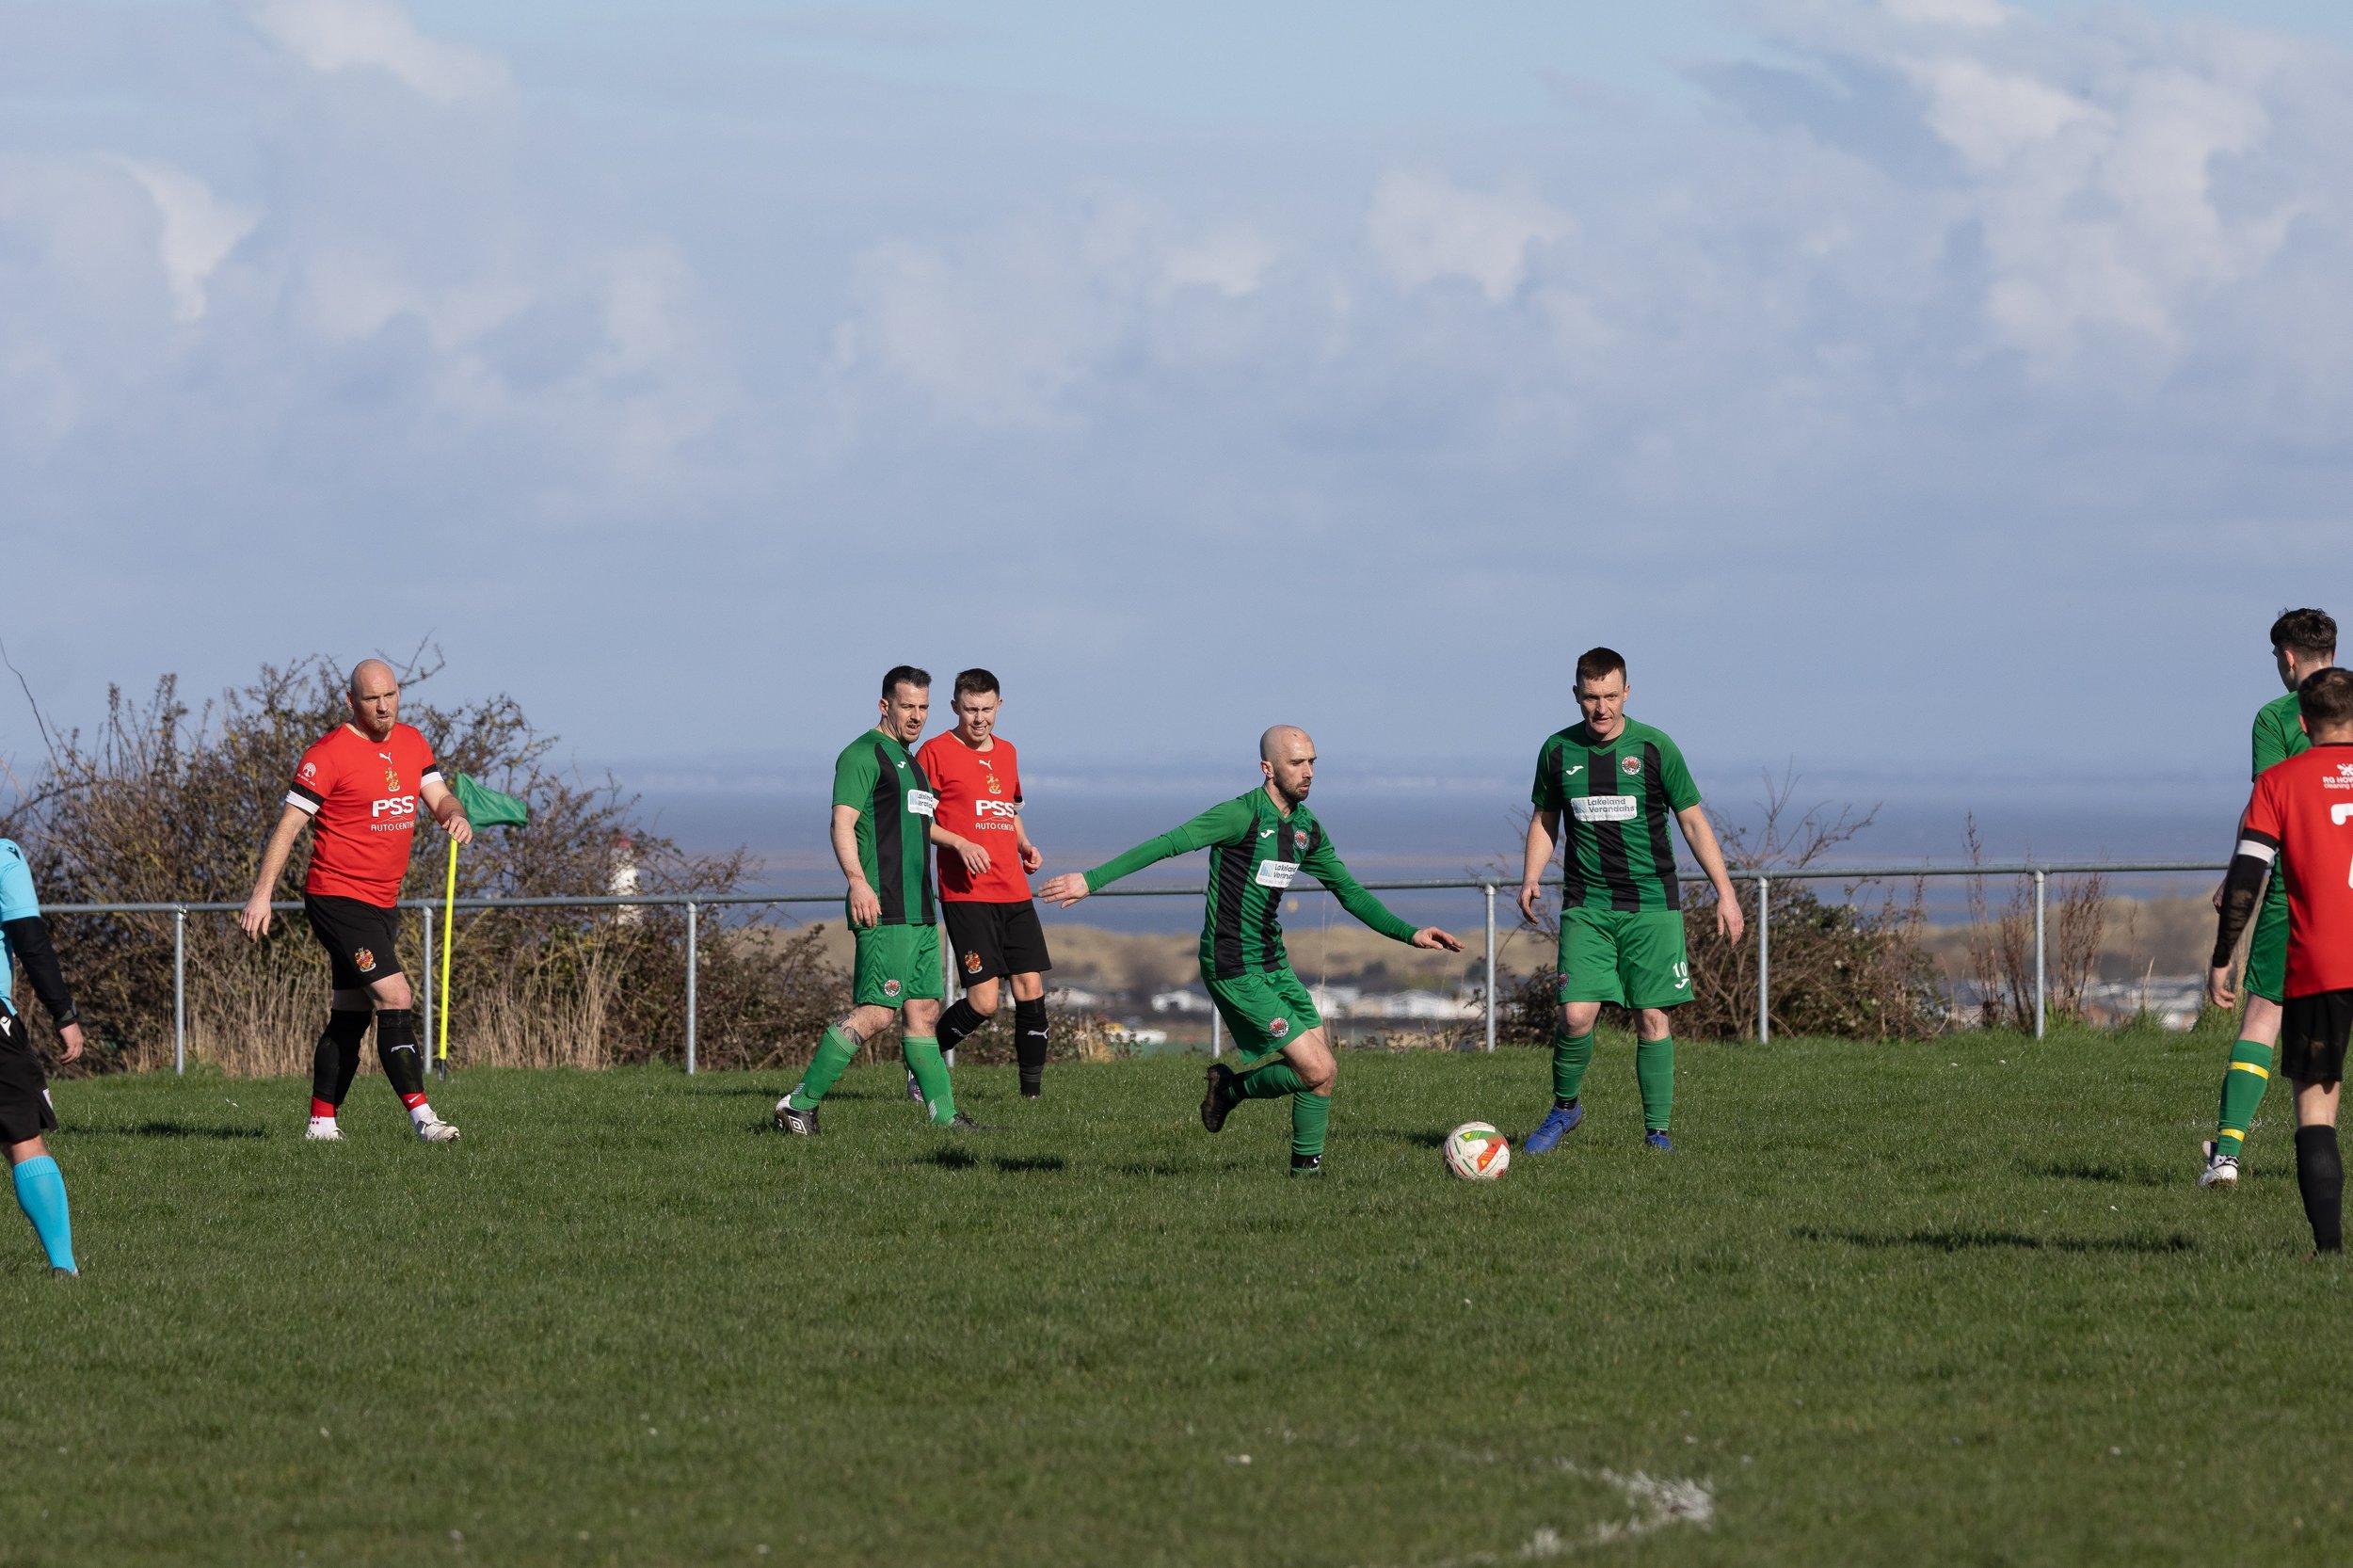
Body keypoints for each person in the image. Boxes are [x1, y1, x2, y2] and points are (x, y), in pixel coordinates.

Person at [1039, 726, 1461, 1176]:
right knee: (1316, 1067)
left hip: (1272, 963)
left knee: (1323, 1073)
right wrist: (1091, 880)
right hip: (1231, 964)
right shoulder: (1239, 815)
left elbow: (1350, 892)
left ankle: (1300, 1174)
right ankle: (1234, 1093)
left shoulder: (1305, 830)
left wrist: (1410, 933)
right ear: (1268, 768)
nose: (1309, 772)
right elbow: (1166, 844)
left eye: (1313, 762)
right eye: (1297, 763)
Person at [1516, 648, 1744, 1154]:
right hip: (1586, 905)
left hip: (1652, 907)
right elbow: (1544, 820)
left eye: (1611, 697)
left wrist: (1726, 894)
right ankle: (1565, 1109)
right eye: (1592, 697)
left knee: (1652, 1018)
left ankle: (1656, 1133)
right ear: (1576, 695)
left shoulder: (1656, 747)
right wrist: (1532, 875)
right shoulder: (1557, 751)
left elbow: (1692, 821)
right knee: (1575, 1015)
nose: (1602, 709)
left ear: (1627, 692)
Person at [238, 659, 471, 1143]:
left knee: (349, 1012)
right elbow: (287, 829)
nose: (383, 706)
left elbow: (440, 795)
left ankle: (322, 1124)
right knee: (396, 996)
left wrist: (453, 815)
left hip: (383, 902)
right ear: (351, 701)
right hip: (337, 898)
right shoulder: (327, 755)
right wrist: (261, 896)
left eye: (390, 695)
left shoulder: (412, 742)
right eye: (371, 698)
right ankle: (425, 1120)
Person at [774, 667, 995, 1135]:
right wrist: (857, 881)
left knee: (925, 1013)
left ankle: (946, 1119)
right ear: (884, 706)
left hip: (919, 908)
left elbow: (915, 826)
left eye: (923, 707)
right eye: (907, 706)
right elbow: (843, 821)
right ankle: (799, 1103)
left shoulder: (908, 760)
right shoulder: (861, 755)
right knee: (878, 1013)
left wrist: (957, 842)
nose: (916, 716)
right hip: (884, 906)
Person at [2207, 664, 2353, 1254]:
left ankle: (2330, 1251)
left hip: (2322, 963)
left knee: (2316, 1114)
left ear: (2302, 721)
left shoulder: (2281, 781)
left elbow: (2247, 876)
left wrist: (2223, 953)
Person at [2201, 608, 2335, 1188]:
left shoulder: (2278, 717)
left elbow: (2267, 808)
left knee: (2264, 1015)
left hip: (2298, 886)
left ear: (2286, 657)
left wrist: (2238, 874)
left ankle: (2226, 1155)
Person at [915, 670, 1053, 1099]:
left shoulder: (1008, 752)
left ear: (999, 706)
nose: (979, 719)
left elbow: (1007, 809)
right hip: (967, 895)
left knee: (1031, 990)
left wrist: (1025, 844)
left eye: (987, 710)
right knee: (984, 1003)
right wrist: (959, 843)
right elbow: (917, 821)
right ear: (955, 707)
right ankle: (923, 1063)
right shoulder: (934, 753)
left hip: (1013, 891)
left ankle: (1031, 1098)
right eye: (971, 710)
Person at [1, 839, 85, 1276]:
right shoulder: (3, 856)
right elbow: (30, 941)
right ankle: (64, 1268)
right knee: (23, 1139)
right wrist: (63, 1014)